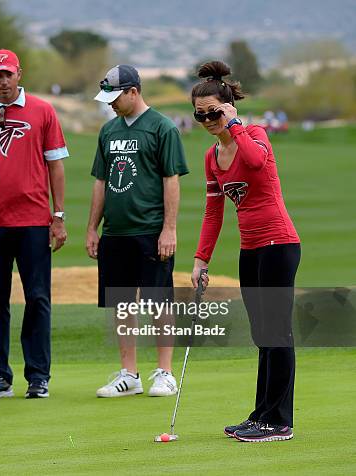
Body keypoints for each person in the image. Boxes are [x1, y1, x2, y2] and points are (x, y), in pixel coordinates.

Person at [190, 61, 300, 442]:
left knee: (277, 333)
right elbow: (213, 211)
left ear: (229, 107)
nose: (208, 120)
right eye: (200, 115)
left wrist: (235, 125)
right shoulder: (210, 158)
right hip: (251, 250)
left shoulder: (254, 133)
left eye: (214, 112)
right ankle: (261, 415)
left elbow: (255, 161)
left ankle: (279, 422)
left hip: (279, 245)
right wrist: (201, 258)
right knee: (261, 334)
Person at [0, 49, 68, 399]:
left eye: (9, 74)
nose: (3, 81)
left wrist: (59, 216)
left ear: (19, 74)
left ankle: (38, 376)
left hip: (34, 220)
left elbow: (55, 166)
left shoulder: (43, 111)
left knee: (37, 298)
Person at [87, 65, 189, 398]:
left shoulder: (162, 128)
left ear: (134, 91)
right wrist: (92, 228)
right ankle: (129, 374)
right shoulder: (108, 131)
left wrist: (169, 229)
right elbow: (101, 182)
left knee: (158, 302)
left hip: (150, 230)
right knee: (121, 303)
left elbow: (170, 180)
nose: (110, 104)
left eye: (115, 98)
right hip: (116, 232)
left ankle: (165, 372)